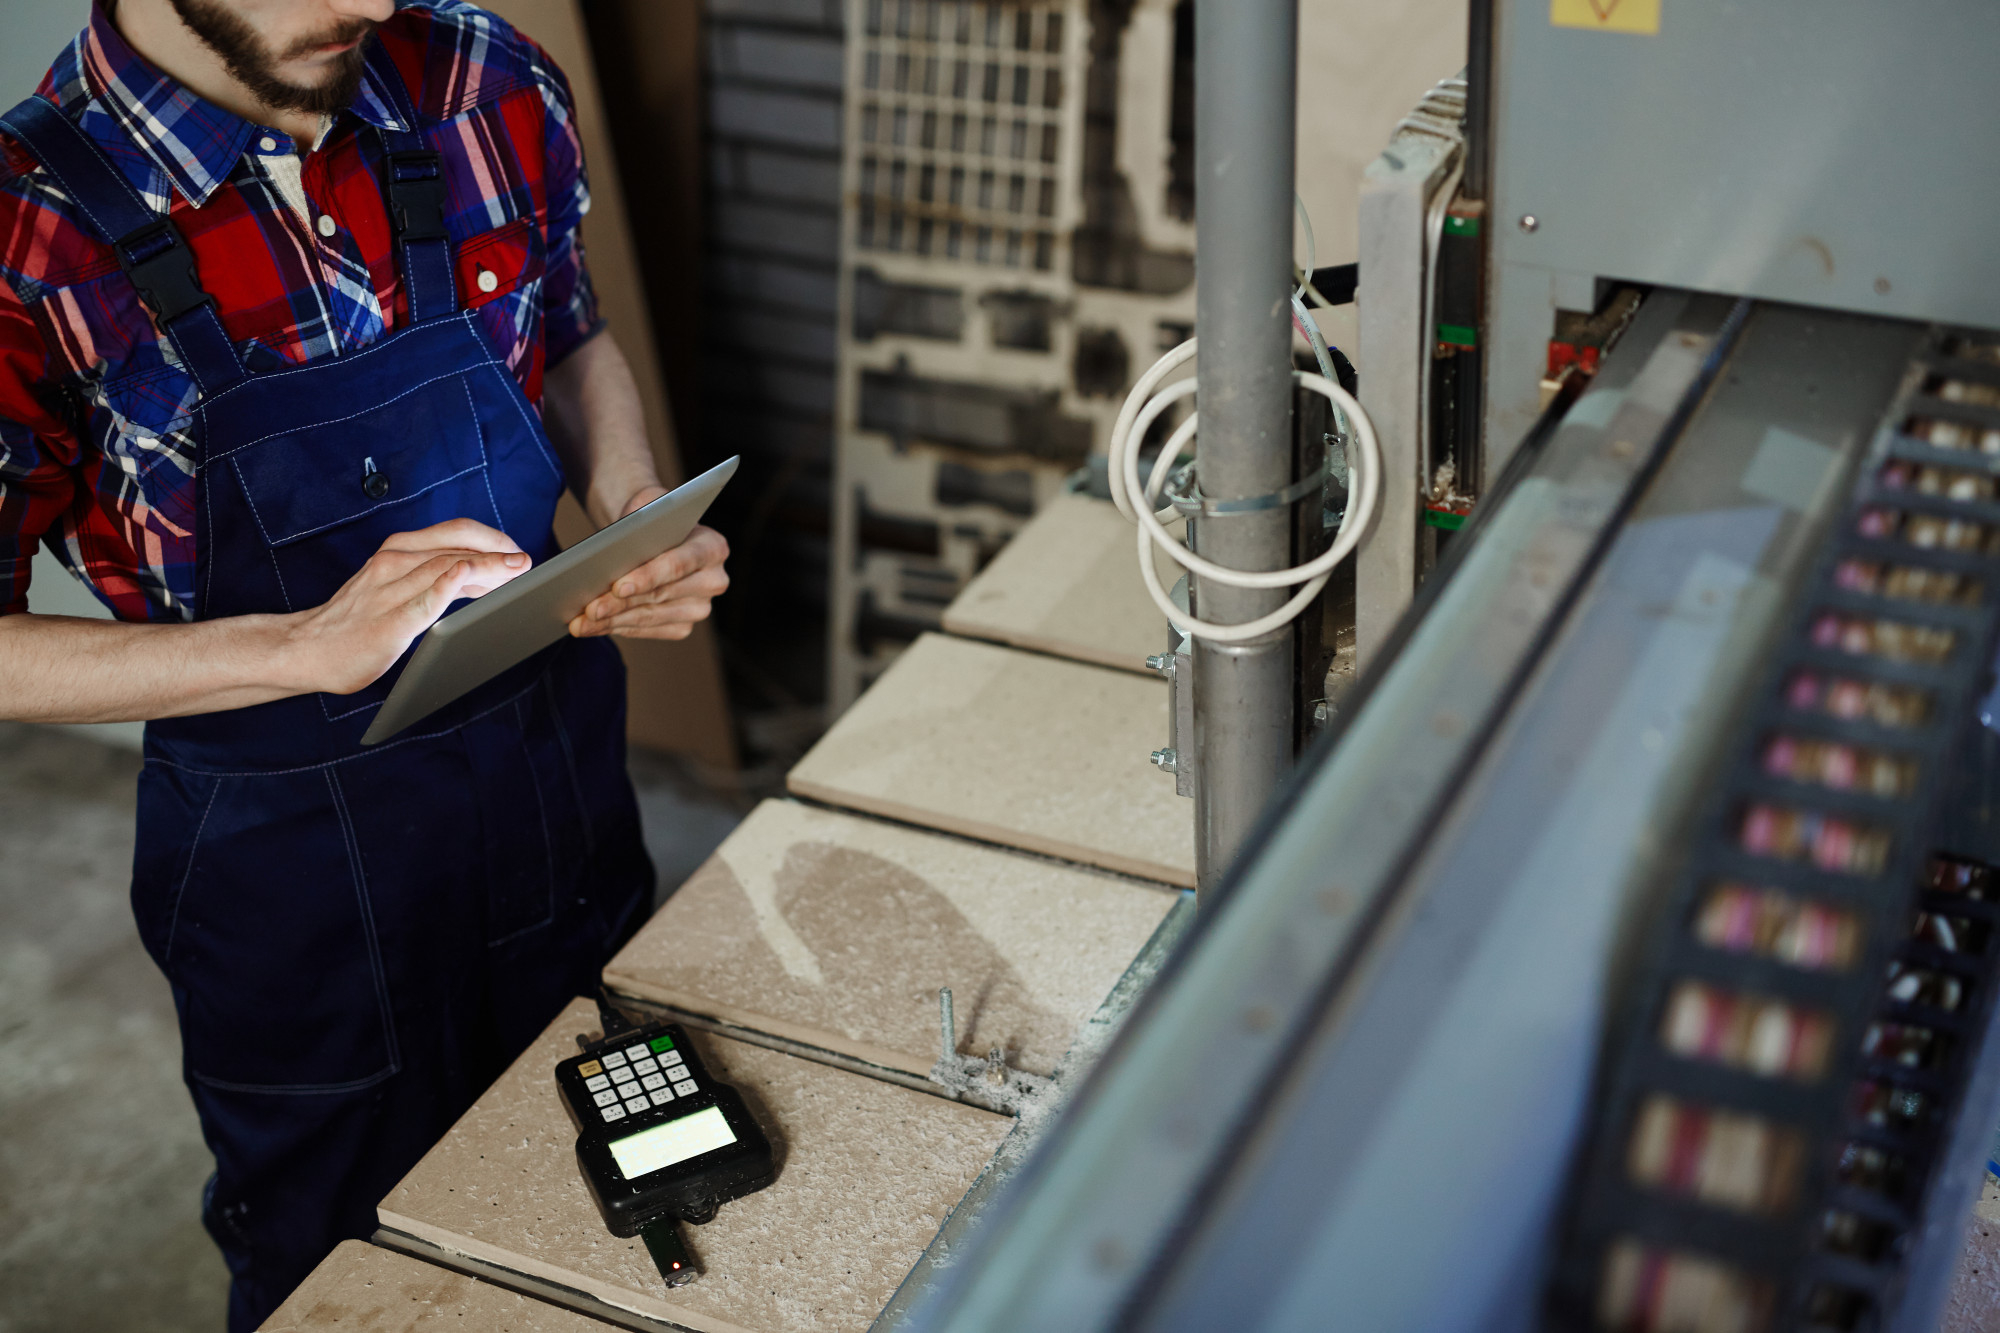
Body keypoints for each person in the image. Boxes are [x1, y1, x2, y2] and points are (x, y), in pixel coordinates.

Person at [0, 0, 728, 1326]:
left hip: (554, 772)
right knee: (350, 1272)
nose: (373, 4)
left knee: (612, 1188)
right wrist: (304, 645)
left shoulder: (484, 77)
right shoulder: (26, 225)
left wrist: (630, 505)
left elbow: (566, 329)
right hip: (290, 872)